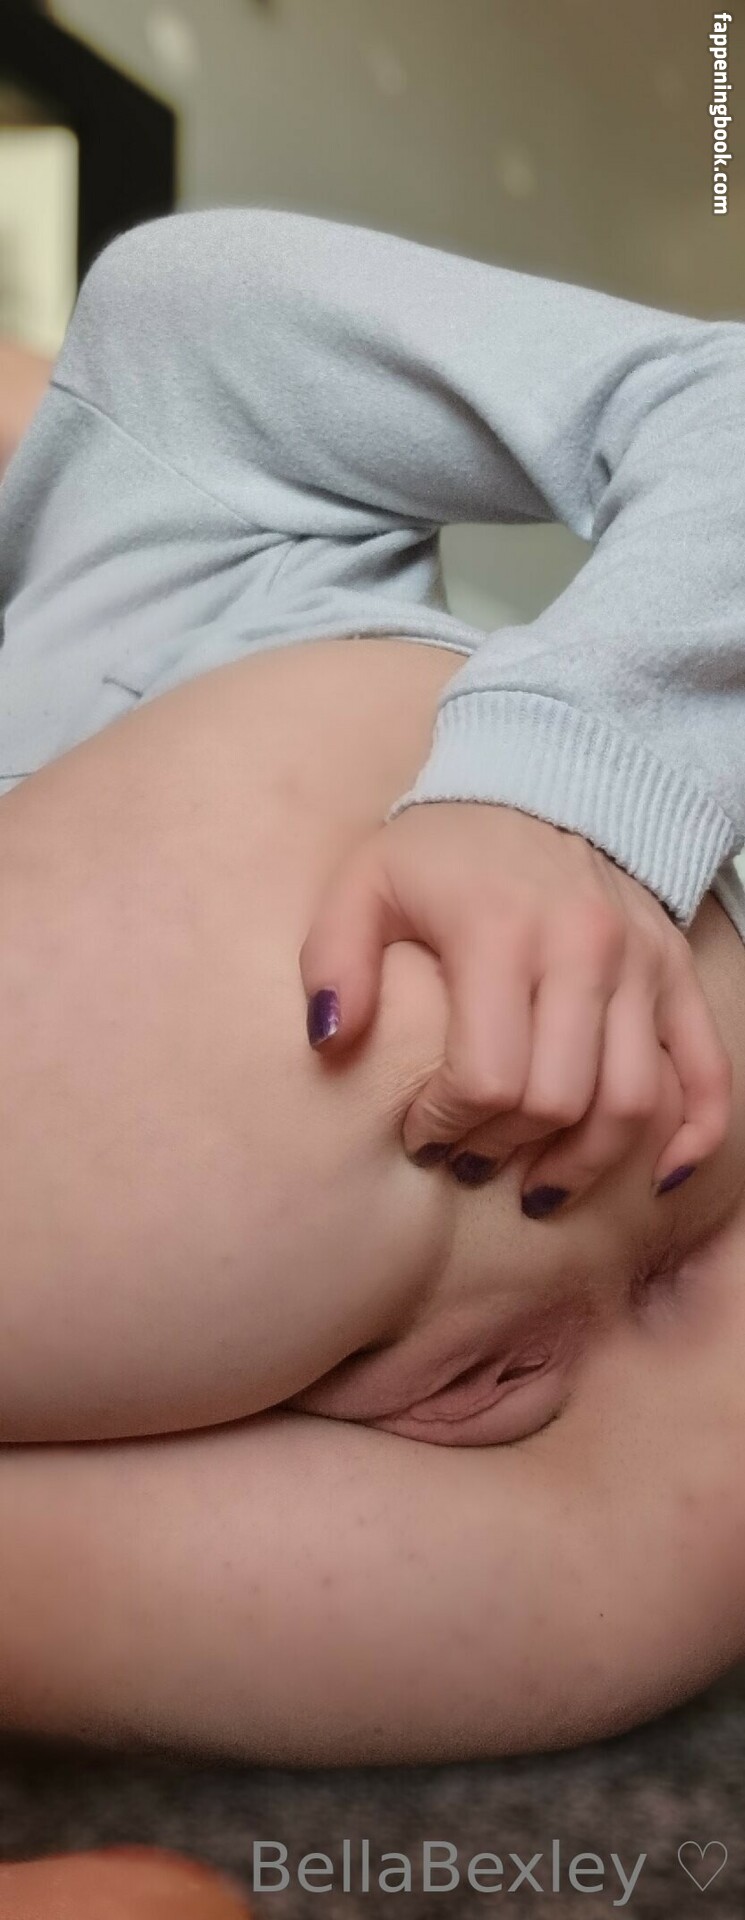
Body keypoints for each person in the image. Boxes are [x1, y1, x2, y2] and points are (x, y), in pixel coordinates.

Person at [0, 209, 744, 1758]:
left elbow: (717, 400)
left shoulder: (166, 358)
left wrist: (557, 782)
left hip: (588, 1075)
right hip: (601, 1486)